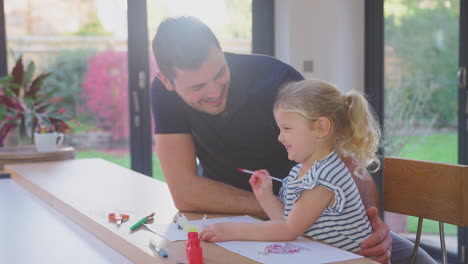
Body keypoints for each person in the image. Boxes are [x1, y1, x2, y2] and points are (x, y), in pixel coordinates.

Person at [150, 16, 434, 263]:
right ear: (166, 81)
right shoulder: (163, 95)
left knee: (418, 260)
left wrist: (373, 224)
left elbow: (346, 159)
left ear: (222, 53)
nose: (214, 90)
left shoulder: (277, 80)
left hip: (318, 225)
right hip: (278, 219)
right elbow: (185, 191)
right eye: (198, 86)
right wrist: (281, 208)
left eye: (221, 73)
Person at [200, 79, 377, 253]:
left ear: (321, 128)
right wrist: (266, 197)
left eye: (286, 128)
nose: (280, 137)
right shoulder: (301, 171)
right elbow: (288, 221)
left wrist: (232, 230)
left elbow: (289, 230)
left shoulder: (325, 177)